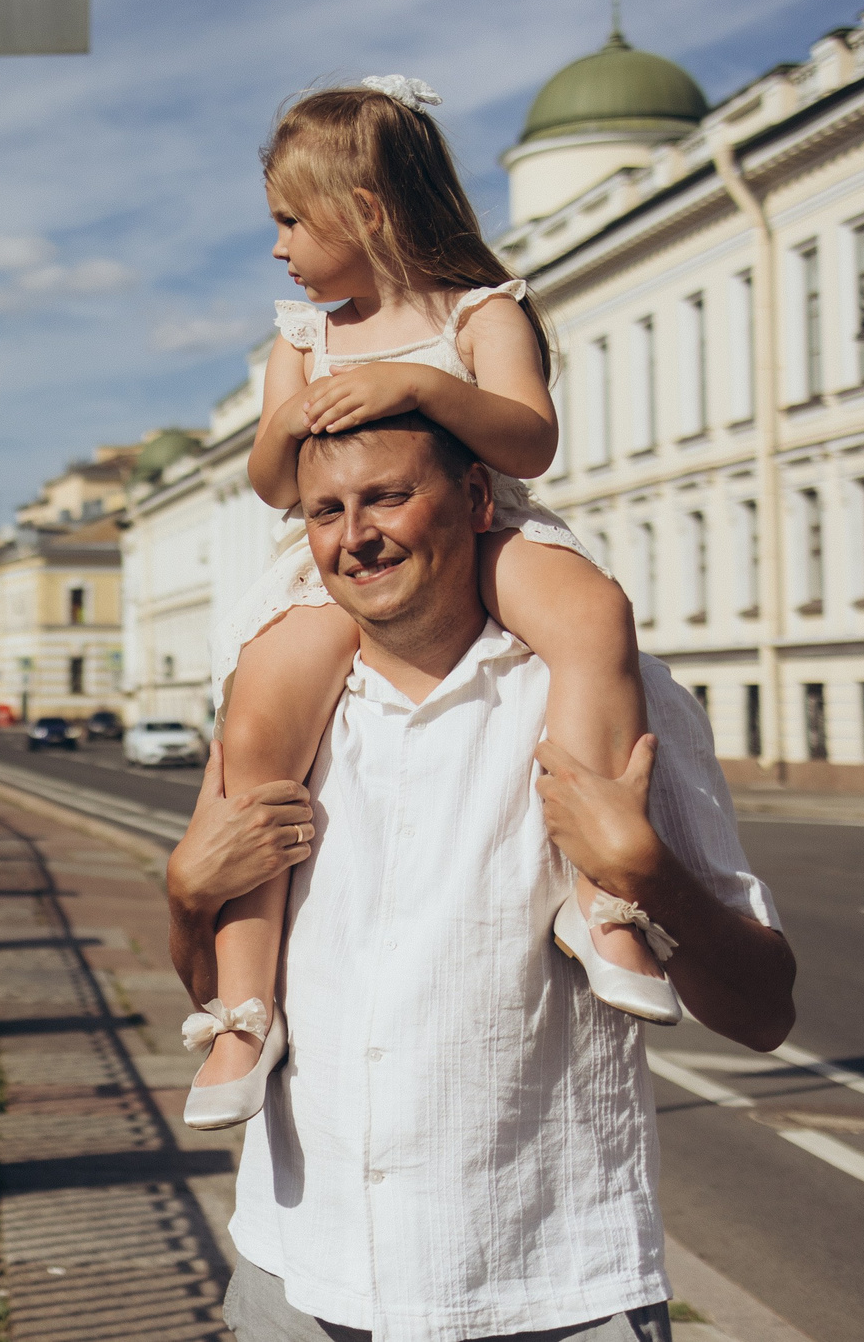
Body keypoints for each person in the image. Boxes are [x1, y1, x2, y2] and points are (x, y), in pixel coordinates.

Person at [165, 411, 796, 1342]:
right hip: (303, 1276)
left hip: (548, 1287)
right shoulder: (278, 721)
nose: (355, 536)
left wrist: (645, 873)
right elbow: (225, 998)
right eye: (325, 511)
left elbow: (765, 1010)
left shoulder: (615, 697)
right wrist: (186, 896)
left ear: (471, 498)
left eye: (387, 496)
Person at [188, 77, 665, 1130]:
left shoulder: (481, 310)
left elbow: (529, 438)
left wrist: (420, 390)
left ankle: (603, 903)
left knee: (591, 617)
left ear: (363, 209)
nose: (277, 248)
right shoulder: (303, 335)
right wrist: (293, 418)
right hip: (341, 554)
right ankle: (242, 1002)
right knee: (263, 702)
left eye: (287, 221)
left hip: (483, 527)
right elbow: (273, 486)